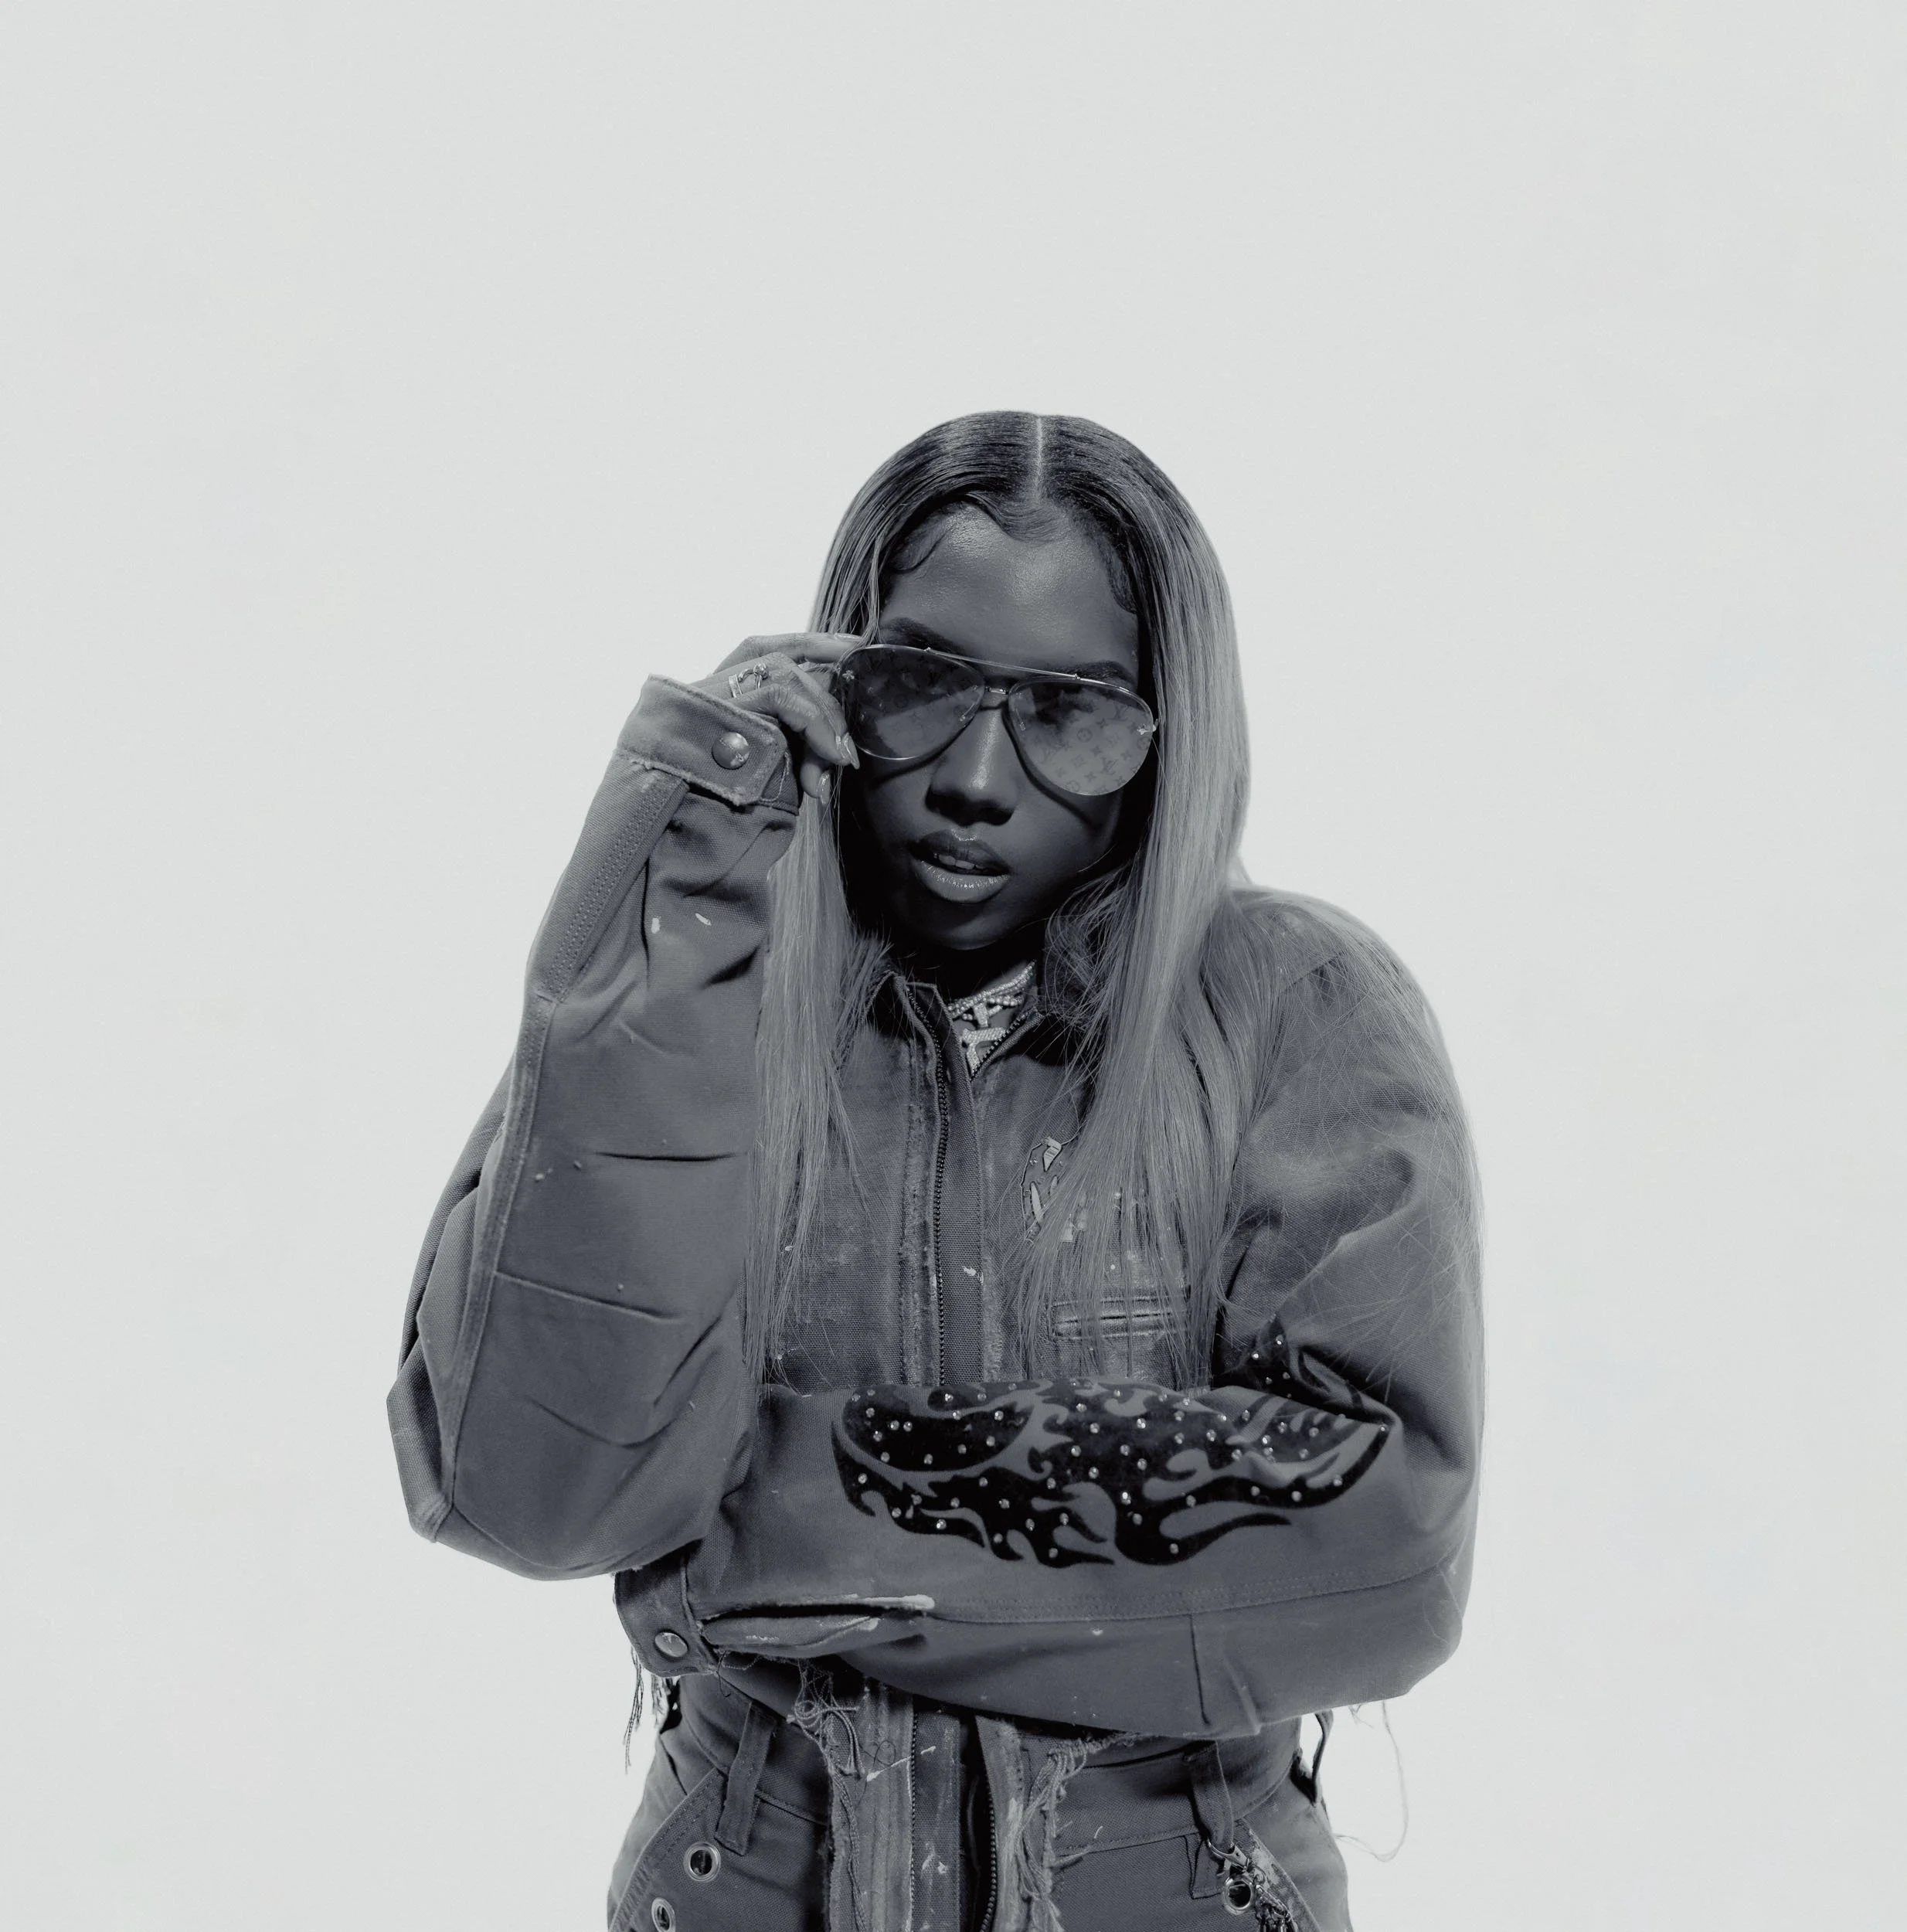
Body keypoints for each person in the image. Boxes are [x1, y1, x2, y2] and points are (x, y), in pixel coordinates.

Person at [389, 412, 1482, 1932]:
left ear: (1173, 724)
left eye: (1070, 710)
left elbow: (1380, 1548)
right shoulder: (708, 1002)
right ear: (838, 676)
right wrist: (679, 884)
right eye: (919, 686)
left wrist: (761, 1516)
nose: (978, 774)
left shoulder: (1293, 1008)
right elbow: (531, 1490)